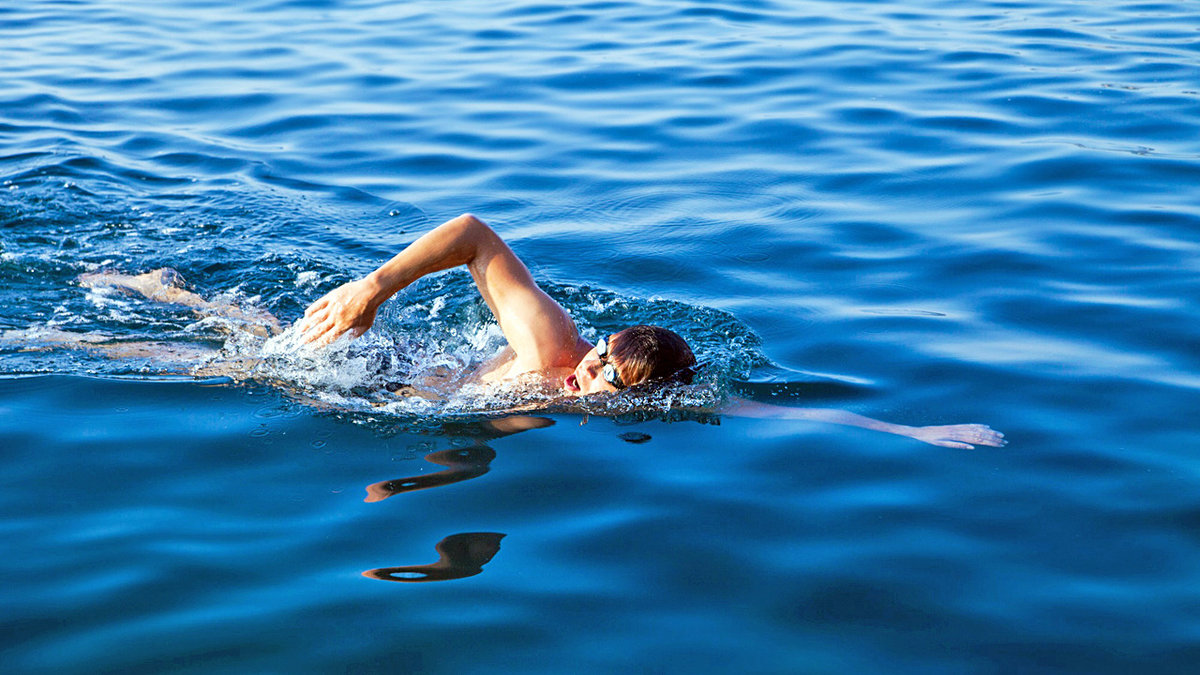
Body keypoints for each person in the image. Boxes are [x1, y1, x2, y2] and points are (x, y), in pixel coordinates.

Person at [12, 213, 1004, 449]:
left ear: (642, 399)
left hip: (394, 386)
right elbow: (477, 235)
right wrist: (372, 286)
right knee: (221, 363)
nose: (589, 383)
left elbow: (758, 405)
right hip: (384, 361)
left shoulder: (647, 392)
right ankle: (92, 324)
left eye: (609, 388)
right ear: (600, 346)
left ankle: (155, 296)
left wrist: (914, 434)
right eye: (601, 364)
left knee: (250, 347)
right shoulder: (551, 351)